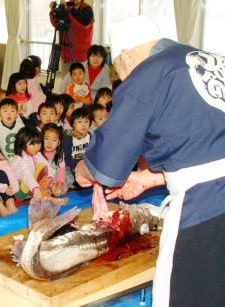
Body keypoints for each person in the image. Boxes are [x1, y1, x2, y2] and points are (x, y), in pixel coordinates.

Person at [74, 15, 225, 306]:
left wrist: (84, 170)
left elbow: (108, 158)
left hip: (205, 203)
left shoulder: (148, 71)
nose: (123, 80)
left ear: (127, 56)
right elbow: (205, 140)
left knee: (184, 292)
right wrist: (149, 178)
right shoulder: (204, 58)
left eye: (119, 71)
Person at [10, 126, 55, 202]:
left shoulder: (37, 154)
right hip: (17, 193)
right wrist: (36, 189)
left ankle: (42, 194)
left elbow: (47, 166)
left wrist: (50, 178)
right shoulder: (20, 160)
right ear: (23, 144)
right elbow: (27, 175)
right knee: (28, 181)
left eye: (39, 143)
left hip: (30, 187)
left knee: (42, 166)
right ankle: (47, 198)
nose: (37, 147)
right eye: (33, 144)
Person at [49, 0, 94, 74]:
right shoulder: (66, 8)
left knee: (81, 83)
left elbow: (84, 23)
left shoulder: (87, 9)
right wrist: (53, 11)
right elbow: (57, 24)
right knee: (66, 84)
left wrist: (69, 8)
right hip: (66, 56)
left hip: (81, 57)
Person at [41, 123, 70, 193]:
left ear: (59, 143)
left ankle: (54, 190)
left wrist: (59, 185)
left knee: (64, 186)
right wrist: (50, 185)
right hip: (42, 179)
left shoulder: (60, 153)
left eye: (54, 140)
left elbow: (61, 171)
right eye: (47, 139)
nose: (49, 143)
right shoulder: (38, 153)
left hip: (54, 178)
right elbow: (39, 173)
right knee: (43, 189)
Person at [0, 99, 25, 163]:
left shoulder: (20, 126)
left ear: (17, 114)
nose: (9, 114)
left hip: (19, 160)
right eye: (5, 111)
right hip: (3, 161)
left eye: (12, 111)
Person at [63, 107, 91, 179]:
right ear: (73, 123)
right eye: (80, 122)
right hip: (72, 166)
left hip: (86, 165)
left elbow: (93, 153)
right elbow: (67, 159)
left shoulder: (89, 135)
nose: (83, 125)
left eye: (86, 121)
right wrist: (80, 167)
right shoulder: (68, 137)